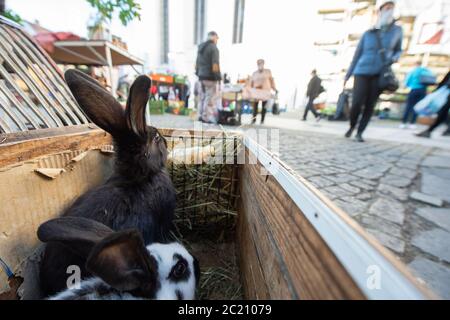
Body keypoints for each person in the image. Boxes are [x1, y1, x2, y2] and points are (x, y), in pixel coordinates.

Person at [344, 0, 403, 142]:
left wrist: (393, 58)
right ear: (380, 11)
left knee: (370, 104)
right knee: (357, 102)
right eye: (386, 7)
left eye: (391, 8)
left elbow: (398, 50)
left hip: (379, 72)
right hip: (362, 71)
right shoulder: (368, 33)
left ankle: (360, 132)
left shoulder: (397, 30)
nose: (389, 10)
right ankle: (352, 125)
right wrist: (348, 75)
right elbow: (357, 55)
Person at [195, 31, 222, 123]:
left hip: (201, 76)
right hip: (210, 77)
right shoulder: (213, 48)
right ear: (213, 37)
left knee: (202, 97)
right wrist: (218, 77)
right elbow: (215, 64)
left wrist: (198, 74)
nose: (217, 40)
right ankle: (206, 117)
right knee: (210, 97)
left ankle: (200, 115)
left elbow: (197, 63)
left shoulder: (200, 47)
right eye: (217, 38)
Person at [400, 60, 434, 129]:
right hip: (423, 90)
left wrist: (410, 85)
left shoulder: (413, 71)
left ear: (415, 64)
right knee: (417, 107)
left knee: (409, 106)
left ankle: (403, 122)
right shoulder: (426, 70)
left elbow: (407, 82)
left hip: (414, 90)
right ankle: (412, 123)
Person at [416, 71, 450, 138]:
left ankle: (429, 131)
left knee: (443, 112)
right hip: (446, 92)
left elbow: (445, 80)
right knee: (443, 112)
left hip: (446, 91)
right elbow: (445, 80)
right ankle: (430, 131)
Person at [250, 59, 277, 124]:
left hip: (265, 91)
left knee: (264, 107)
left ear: (263, 63)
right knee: (255, 107)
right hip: (256, 92)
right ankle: (254, 120)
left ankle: (262, 120)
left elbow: (271, 80)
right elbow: (251, 83)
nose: (260, 64)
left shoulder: (268, 71)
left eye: (261, 63)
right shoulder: (254, 73)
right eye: (258, 63)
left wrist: (274, 88)